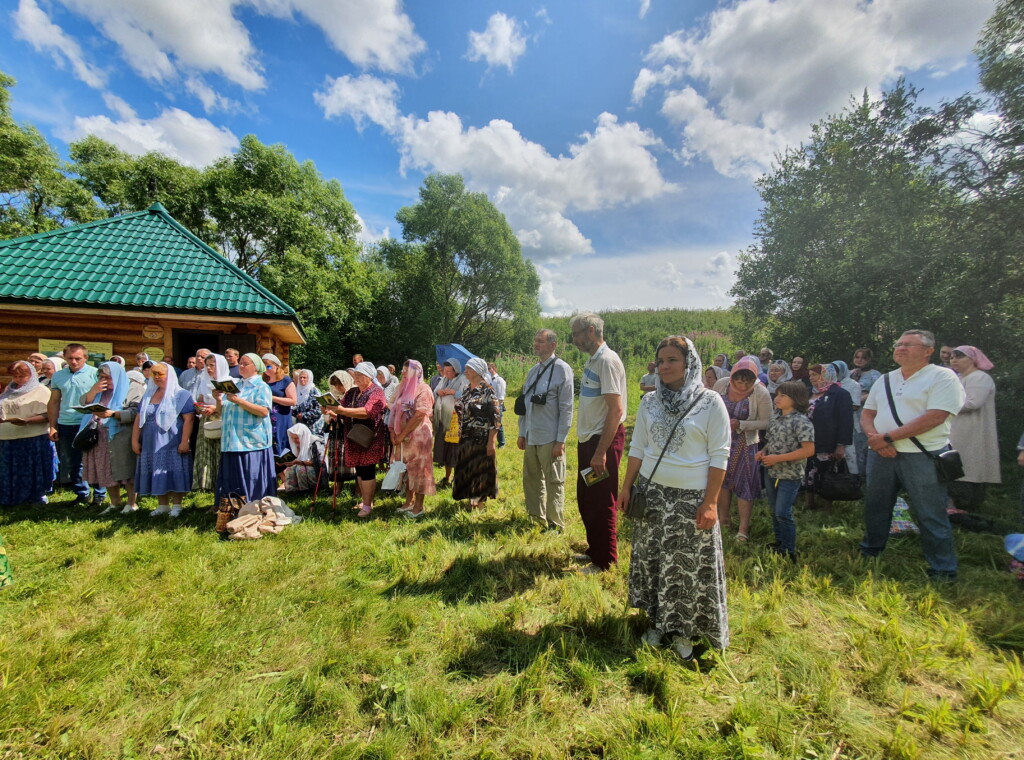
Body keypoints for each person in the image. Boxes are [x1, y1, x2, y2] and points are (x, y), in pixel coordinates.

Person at [617, 336, 730, 659]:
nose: (664, 367)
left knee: (688, 569)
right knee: (655, 563)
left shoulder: (710, 402)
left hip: (691, 500)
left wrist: (710, 503)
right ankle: (657, 622)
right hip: (653, 496)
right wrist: (627, 488)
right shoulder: (651, 402)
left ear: (689, 363)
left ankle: (684, 632)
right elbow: (637, 447)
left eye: (673, 360)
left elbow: (719, 455)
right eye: (661, 361)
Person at [860, 329, 966, 581]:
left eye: (909, 344)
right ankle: (871, 550)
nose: (901, 348)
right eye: (899, 344)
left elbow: (936, 416)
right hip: (882, 455)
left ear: (928, 351)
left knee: (930, 511)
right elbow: (867, 414)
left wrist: (887, 438)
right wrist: (877, 441)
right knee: (876, 505)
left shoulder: (942, 377)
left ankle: (942, 569)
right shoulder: (885, 379)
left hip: (922, 455)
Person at [570, 312, 627, 573]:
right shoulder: (594, 360)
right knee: (587, 497)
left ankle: (605, 561)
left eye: (577, 334)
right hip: (590, 439)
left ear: (591, 331)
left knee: (601, 499)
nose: (574, 340)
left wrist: (601, 452)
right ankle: (595, 549)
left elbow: (615, 410)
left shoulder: (607, 361)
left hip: (602, 439)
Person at [518, 329, 574, 532]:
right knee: (531, 479)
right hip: (532, 434)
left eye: (540, 341)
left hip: (550, 437)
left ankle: (555, 524)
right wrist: (522, 432)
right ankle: (536, 517)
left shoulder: (562, 369)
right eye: (535, 341)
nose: (536, 345)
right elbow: (524, 405)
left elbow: (566, 407)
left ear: (553, 345)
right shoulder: (533, 370)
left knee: (554, 481)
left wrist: (561, 440)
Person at [712, 356, 770, 540]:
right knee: (721, 481)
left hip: (745, 444)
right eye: (738, 380)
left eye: (747, 382)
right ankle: (724, 519)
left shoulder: (760, 393)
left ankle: (743, 529)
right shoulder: (721, 385)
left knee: (744, 484)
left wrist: (742, 424)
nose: (743, 386)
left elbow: (767, 421)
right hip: (720, 441)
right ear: (732, 377)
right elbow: (711, 406)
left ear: (754, 380)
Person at [756, 381, 815, 559]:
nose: (777, 398)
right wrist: (763, 452)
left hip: (790, 474)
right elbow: (770, 442)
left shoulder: (801, 421)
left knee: (783, 512)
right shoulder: (775, 418)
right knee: (774, 509)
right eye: (777, 395)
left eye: (783, 396)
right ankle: (780, 542)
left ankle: (789, 550)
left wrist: (778, 459)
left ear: (795, 399)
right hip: (771, 471)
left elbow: (808, 450)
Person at [133, 362, 195, 517]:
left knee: (173, 468)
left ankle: (177, 505)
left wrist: (184, 441)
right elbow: (138, 418)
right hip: (150, 440)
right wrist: (134, 440)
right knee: (156, 467)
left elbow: (189, 419)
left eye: (160, 374)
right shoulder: (148, 395)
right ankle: (162, 505)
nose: (157, 377)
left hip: (172, 439)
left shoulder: (181, 395)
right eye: (154, 374)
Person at [215, 353, 276, 505]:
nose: (241, 366)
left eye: (245, 363)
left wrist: (238, 400)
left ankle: (252, 504)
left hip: (249, 441)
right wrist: (218, 399)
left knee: (250, 475)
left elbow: (263, 411)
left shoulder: (261, 386)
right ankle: (230, 506)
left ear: (256, 367)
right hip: (231, 440)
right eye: (240, 363)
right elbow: (221, 411)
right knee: (231, 476)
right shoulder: (236, 385)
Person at [47, 343, 103, 506]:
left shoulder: (95, 374)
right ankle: (82, 493)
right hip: (66, 422)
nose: (74, 361)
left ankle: (99, 493)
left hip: (89, 422)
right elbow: (54, 402)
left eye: (78, 358)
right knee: (73, 461)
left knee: (95, 459)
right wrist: (53, 425)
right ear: (64, 357)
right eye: (70, 358)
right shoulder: (58, 376)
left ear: (86, 358)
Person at [948, 346, 1000, 509]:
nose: (953, 360)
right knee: (952, 467)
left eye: (959, 357)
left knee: (969, 466)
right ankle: (952, 507)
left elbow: (972, 403)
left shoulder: (979, 378)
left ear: (972, 359)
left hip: (971, 430)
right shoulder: (957, 378)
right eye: (951, 357)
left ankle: (966, 509)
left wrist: (939, 405)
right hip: (955, 429)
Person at [0, 361, 57, 506]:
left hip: (32, 436)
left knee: (29, 469)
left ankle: (34, 497)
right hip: (7, 436)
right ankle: (10, 496)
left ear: (31, 375)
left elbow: (48, 414)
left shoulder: (41, 390)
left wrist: (28, 420)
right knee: (10, 468)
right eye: (15, 376)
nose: (18, 379)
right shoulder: (9, 389)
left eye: (22, 376)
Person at [334, 362, 387, 518]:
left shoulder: (377, 392)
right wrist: (332, 410)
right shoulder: (351, 392)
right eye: (355, 375)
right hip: (352, 437)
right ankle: (365, 501)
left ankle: (368, 505)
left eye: (359, 375)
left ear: (368, 376)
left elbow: (367, 412)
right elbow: (342, 409)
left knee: (367, 470)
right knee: (359, 469)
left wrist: (342, 410)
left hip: (369, 438)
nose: (355, 378)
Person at [79, 362, 131, 514]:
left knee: (126, 470)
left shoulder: (130, 389)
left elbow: (136, 412)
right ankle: (115, 502)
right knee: (105, 470)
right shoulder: (99, 392)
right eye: (101, 377)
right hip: (100, 437)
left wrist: (114, 414)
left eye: (108, 377)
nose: (104, 380)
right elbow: (84, 402)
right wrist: (93, 391)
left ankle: (131, 503)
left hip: (121, 435)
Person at [803, 364, 854, 510]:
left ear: (826, 375)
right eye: (810, 375)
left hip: (828, 440)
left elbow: (845, 421)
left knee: (826, 471)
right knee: (808, 470)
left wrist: (841, 444)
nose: (811, 378)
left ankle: (827, 506)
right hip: (808, 440)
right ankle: (809, 503)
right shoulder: (808, 392)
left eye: (815, 375)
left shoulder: (840, 394)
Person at [389, 360, 436, 518]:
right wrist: (393, 432)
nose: (403, 373)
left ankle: (419, 506)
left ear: (416, 372)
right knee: (407, 469)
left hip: (419, 436)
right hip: (402, 437)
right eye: (402, 370)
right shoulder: (401, 388)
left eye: (406, 371)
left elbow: (419, 415)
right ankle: (409, 501)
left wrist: (402, 434)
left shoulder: (424, 389)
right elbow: (393, 409)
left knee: (419, 470)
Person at [453, 357, 501, 508]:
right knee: (467, 467)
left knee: (480, 469)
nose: (465, 371)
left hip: (481, 438)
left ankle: (479, 503)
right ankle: (470, 498)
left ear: (478, 371)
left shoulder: (487, 390)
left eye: (469, 369)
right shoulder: (467, 389)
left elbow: (495, 418)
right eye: (466, 368)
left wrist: (491, 442)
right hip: (465, 436)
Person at [192, 353, 231, 496]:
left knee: (219, 451)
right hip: (207, 418)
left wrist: (215, 407)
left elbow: (231, 402)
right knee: (205, 450)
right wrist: (200, 408)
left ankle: (220, 482)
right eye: (207, 365)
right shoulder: (204, 380)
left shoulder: (228, 381)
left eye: (212, 365)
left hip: (223, 418)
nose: (208, 368)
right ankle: (206, 483)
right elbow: (201, 399)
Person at [432, 358, 468, 488]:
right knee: (445, 449)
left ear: (456, 370)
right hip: (443, 418)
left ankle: (456, 478)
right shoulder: (444, 380)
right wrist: (438, 392)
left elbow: (467, 396)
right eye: (444, 371)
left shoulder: (463, 379)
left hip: (455, 421)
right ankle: (446, 477)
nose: (446, 374)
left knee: (454, 450)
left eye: (449, 371)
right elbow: (435, 391)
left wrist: (454, 392)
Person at [851, 348, 882, 477]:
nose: (859, 360)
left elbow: (878, 393)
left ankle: (867, 475)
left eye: (863, 358)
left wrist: (859, 399)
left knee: (864, 443)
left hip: (865, 412)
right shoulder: (849, 373)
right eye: (857, 357)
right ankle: (854, 475)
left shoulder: (875, 375)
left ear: (868, 360)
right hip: (849, 413)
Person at [831, 360, 863, 476]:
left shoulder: (853, 385)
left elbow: (855, 405)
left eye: (836, 370)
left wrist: (835, 407)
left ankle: (853, 477)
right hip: (832, 422)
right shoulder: (829, 384)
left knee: (849, 451)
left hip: (847, 421)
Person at [262, 353, 296, 457]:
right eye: (264, 367)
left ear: (277, 366)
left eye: (268, 366)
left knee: (280, 443)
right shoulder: (263, 381)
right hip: (265, 416)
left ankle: (281, 470)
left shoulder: (285, 380)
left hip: (280, 417)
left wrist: (271, 398)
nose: (266, 369)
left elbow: (293, 401)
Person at [278, 422, 324, 493]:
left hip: (318, 471)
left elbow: (318, 462)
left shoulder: (314, 443)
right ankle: (293, 491)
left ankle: (307, 490)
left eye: (297, 438)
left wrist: (297, 462)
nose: (294, 440)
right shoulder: (296, 445)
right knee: (290, 468)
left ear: (303, 436)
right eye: (292, 438)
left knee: (300, 468)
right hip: (303, 466)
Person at [291, 369, 323, 433]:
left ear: (309, 378)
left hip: (313, 426)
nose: (302, 379)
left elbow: (320, 410)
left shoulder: (314, 391)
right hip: (300, 425)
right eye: (300, 377)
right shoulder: (297, 391)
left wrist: (304, 415)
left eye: (304, 377)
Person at [488, 362, 507, 448]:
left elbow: (501, 396)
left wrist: (497, 407)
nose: (488, 371)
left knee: (498, 424)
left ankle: (502, 443)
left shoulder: (499, 380)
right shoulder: (488, 379)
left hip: (497, 405)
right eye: (487, 369)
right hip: (489, 404)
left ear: (494, 369)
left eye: (489, 369)